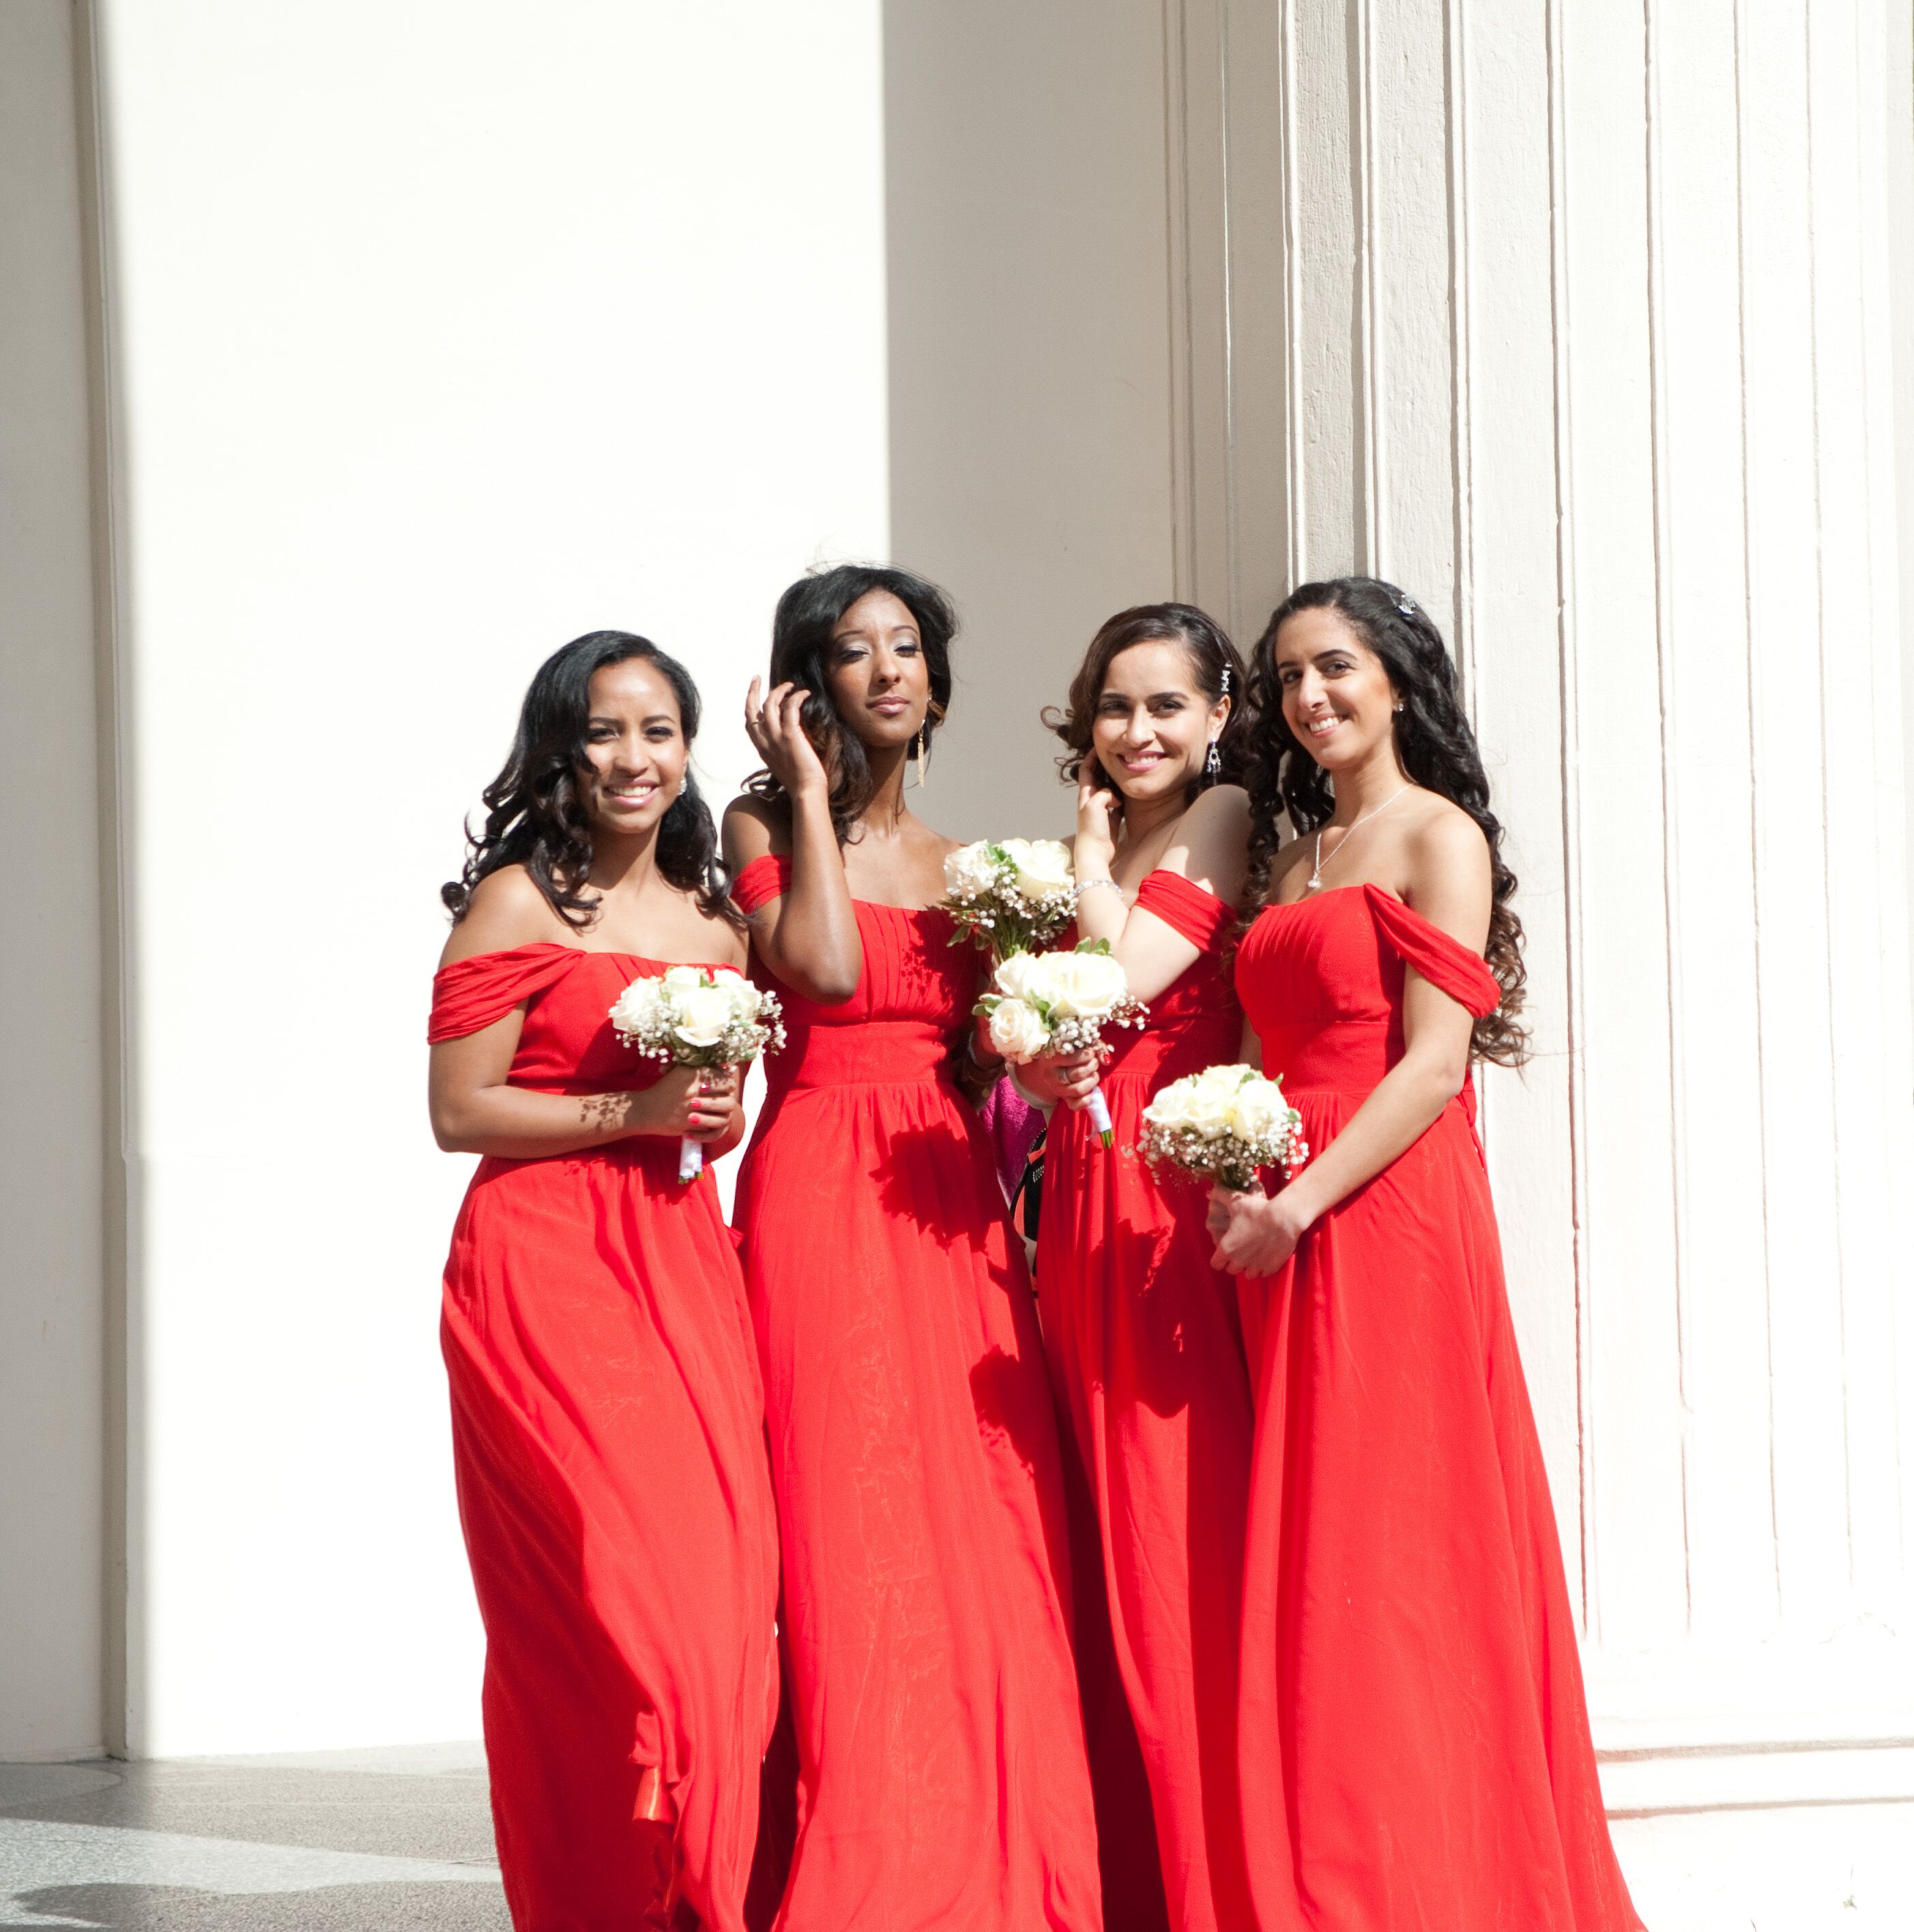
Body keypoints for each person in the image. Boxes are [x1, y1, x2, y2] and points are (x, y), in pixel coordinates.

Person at [1210, 578, 1643, 1929]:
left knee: (1396, 1531)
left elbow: (1431, 1065)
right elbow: (1249, 1050)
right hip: (1276, 1200)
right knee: (1312, 1542)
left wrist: (1298, 1202)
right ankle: (1336, 1858)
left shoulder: (1432, 835)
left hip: (1383, 1203)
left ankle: (1431, 1879)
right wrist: (1229, 1158)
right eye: (1285, 679)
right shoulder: (1292, 861)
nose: (1307, 698)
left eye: (1331, 668)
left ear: (1396, 679)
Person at [723, 565, 1103, 1932]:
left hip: (948, 1195)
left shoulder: (972, 868)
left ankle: (1011, 1862)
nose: (886, 670)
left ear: (935, 679)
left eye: (907, 649)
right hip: (818, 1179)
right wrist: (814, 805)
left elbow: (1012, 1051)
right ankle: (875, 1866)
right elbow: (820, 974)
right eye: (851, 650)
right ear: (804, 683)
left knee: (988, 1519)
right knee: (848, 1515)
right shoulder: (760, 820)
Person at [428, 631, 779, 1932]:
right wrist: (632, 1111)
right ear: (562, 750)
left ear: (689, 752)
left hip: (681, 1268)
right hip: (542, 1270)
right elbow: (460, 1113)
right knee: (615, 1615)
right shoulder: (518, 903)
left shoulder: (715, 918)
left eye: (659, 732)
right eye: (605, 732)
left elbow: (706, 1122)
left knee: (721, 1610)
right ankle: (599, 1895)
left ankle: (689, 1892)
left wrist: (700, 1113)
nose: (634, 759)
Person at [1017, 604, 1260, 1932]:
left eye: (1164, 704)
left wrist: (1086, 864)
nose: (1136, 730)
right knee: (1101, 1534)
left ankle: (1208, 1880)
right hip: (1083, 1201)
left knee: (1173, 1529)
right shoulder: (1126, 831)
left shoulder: (1215, 816)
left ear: (1219, 714)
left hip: (1167, 1204)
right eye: (1114, 706)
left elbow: (1112, 985)